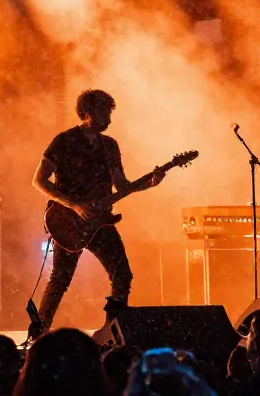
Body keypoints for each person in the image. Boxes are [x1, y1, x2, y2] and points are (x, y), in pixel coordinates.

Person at [32, 90, 163, 334]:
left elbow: (122, 186)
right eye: (104, 113)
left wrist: (151, 183)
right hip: (68, 221)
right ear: (88, 112)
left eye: (110, 113)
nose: (109, 120)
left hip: (101, 222)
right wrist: (74, 205)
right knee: (60, 279)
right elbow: (39, 180)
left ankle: (111, 330)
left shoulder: (110, 146)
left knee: (122, 274)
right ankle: (39, 334)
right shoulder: (64, 141)